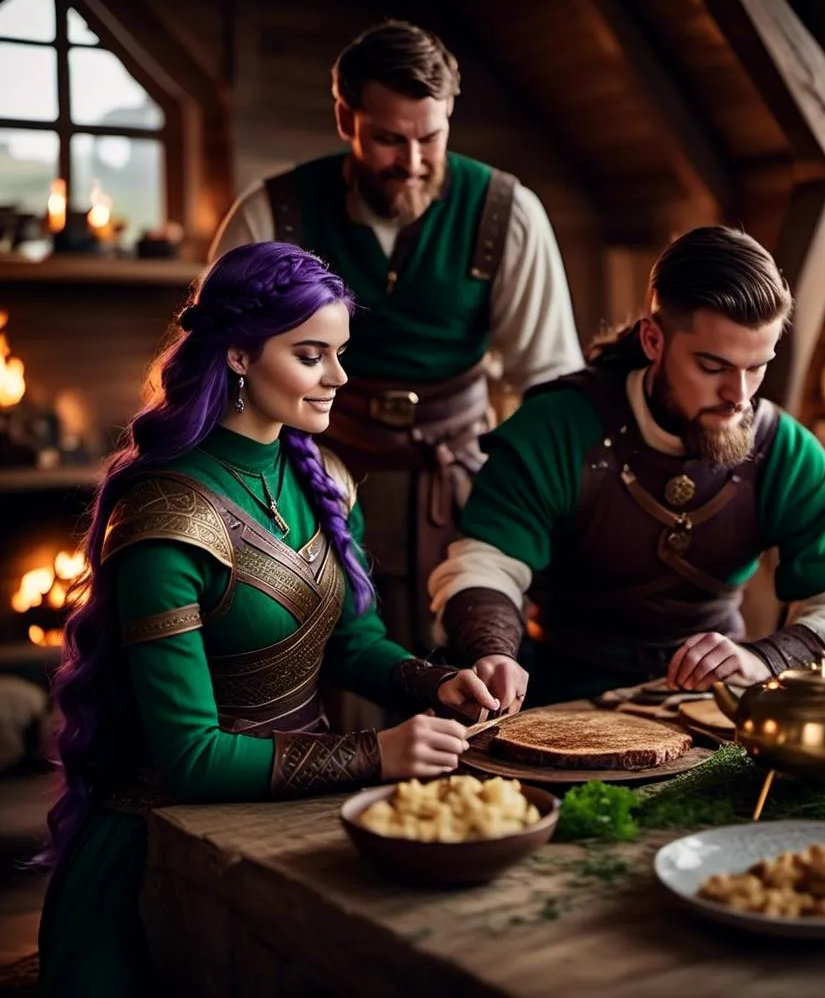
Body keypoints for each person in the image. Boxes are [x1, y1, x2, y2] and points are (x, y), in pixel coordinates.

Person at [37, 242, 499, 997]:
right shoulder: (168, 517)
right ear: (242, 356)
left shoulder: (320, 477)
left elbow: (350, 643)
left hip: (297, 818)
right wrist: (377, 753)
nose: (339, 379)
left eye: (340, 352)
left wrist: (434, 683)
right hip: (166, 842)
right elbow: (190, 757)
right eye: (311, 355)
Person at [209, 20, 583, 658]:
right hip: (303, 483)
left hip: (459, 482)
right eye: (387, 140)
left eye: (430, 137)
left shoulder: (507, 213)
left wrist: (546, 520)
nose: (412, 164)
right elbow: (222, 374)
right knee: (317, 666)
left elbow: (548, 387)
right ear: (343, 117)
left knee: (464, 669)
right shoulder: (274, 212)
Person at [428, 226, 825, 711]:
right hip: (559, 704)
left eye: (756, 366)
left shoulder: (783, 449)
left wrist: (768, 660)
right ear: (653, 340)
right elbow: (483, 567)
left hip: (714, 711)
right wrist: (492, 652)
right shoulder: (556, 428)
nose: (739, 396)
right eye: (713, 367)